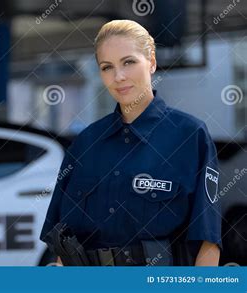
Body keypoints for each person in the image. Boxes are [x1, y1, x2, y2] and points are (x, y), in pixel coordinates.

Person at [40, 19, 222, 266]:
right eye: (107, 67)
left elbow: (208, 242)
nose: (119, 76)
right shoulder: (85, 145)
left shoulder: (190, 136)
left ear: (152, 62)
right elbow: (63, 244)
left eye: (129, 62)